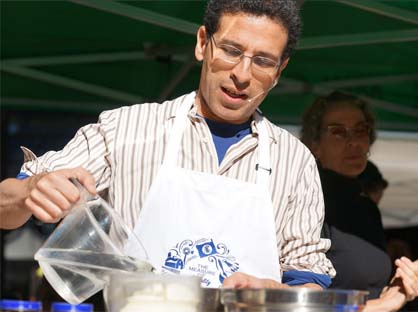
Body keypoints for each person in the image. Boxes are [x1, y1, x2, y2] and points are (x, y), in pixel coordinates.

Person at [0, 0, 335, 290]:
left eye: (263, 61)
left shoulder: (295, 160)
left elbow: (308, 279)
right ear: (203, 43)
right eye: (231, 51)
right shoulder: (125, 129)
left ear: (281, 70)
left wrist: (273, 291)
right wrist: (31, 189)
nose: (243, 74)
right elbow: (6, 207)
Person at [300, 91, 418, 311]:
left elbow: (366, 288)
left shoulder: (366, 208)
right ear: (315, 145)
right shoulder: (307, 201)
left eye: (360, 130)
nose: (354, 142)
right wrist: (385, 303)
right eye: (338, 132)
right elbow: (303, 302)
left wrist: (400, 286)